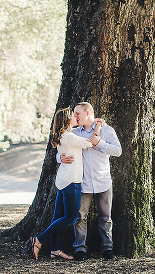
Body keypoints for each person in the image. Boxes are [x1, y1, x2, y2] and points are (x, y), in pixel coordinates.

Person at [30, 107, 103, 260]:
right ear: (66, 121)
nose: (76, 117)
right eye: (73, 115)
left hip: (63, 181)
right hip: (71, 182)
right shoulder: (69, 136)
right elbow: (91, 143)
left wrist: (60, 158)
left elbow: (60, 155)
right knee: (70, 218)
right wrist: (98, 125)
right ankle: (40, 240)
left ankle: (55, 250)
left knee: (58, 217)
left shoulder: (63, 136)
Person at [58, 102, 122, 261]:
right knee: (80, 217)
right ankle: (80, 249)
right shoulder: (74, 133)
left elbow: (118, 151)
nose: (75, 116)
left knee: (105, 217)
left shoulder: (106, 130)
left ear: (87, 113)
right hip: (83, 182)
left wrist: (100, 143)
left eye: (77, 113)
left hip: (103, 181)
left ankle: (107, 249)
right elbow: (61, 148)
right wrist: (60, 158)